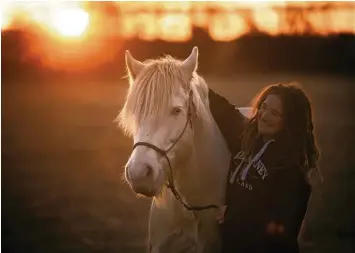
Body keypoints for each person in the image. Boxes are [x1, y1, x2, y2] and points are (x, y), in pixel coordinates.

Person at [208, 83, 321, 253]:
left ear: (288, 122)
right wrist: (192, 82)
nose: (264, 115)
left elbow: (281, 234)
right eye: (264, 107)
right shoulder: (246, 138)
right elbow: (225, 111)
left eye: (274, 113)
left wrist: (233, 216)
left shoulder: (293, 173)